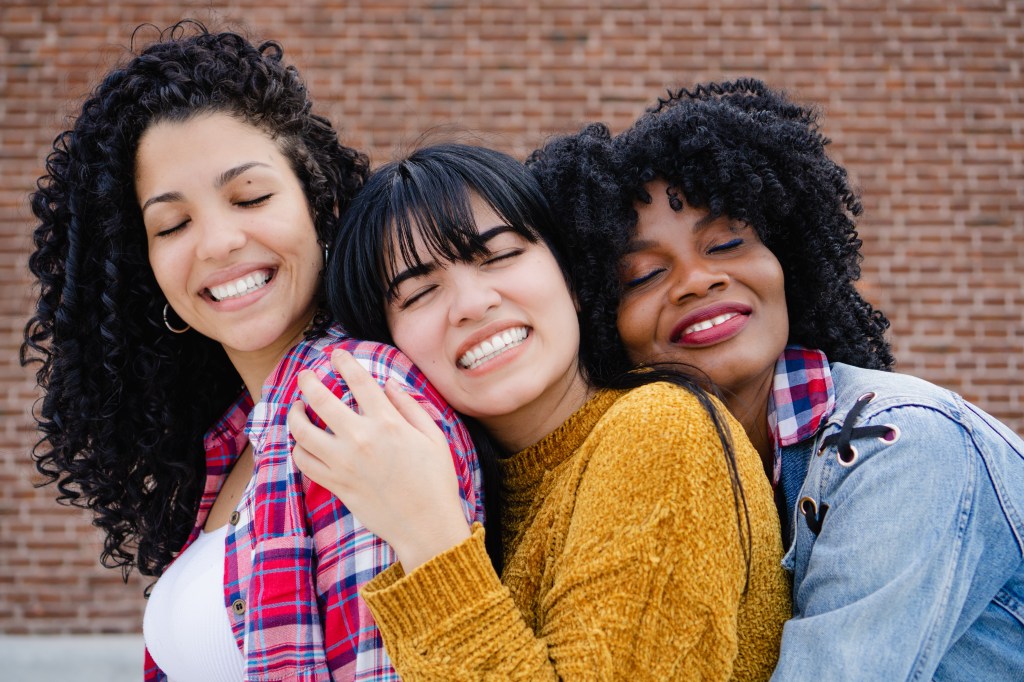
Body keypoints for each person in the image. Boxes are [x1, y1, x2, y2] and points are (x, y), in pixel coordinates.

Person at [21, 23, 483, 681]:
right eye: (172, 224)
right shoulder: (236, 437)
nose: (216, 242)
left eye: (251, 196)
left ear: (320, 207)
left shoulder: (351, 401)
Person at [528, 78, 1024, 680]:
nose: (696, 280)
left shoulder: (901, 444)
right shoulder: (655, 476)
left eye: (728, 242)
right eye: (643, 275)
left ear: (787, 258)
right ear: (599, 318)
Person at [287, 143, 791, 680]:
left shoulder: (659, 430)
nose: (473, 304)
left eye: (499, 256)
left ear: (573, 280)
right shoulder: (480, 492)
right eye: (418, 293)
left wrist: (429, 539)